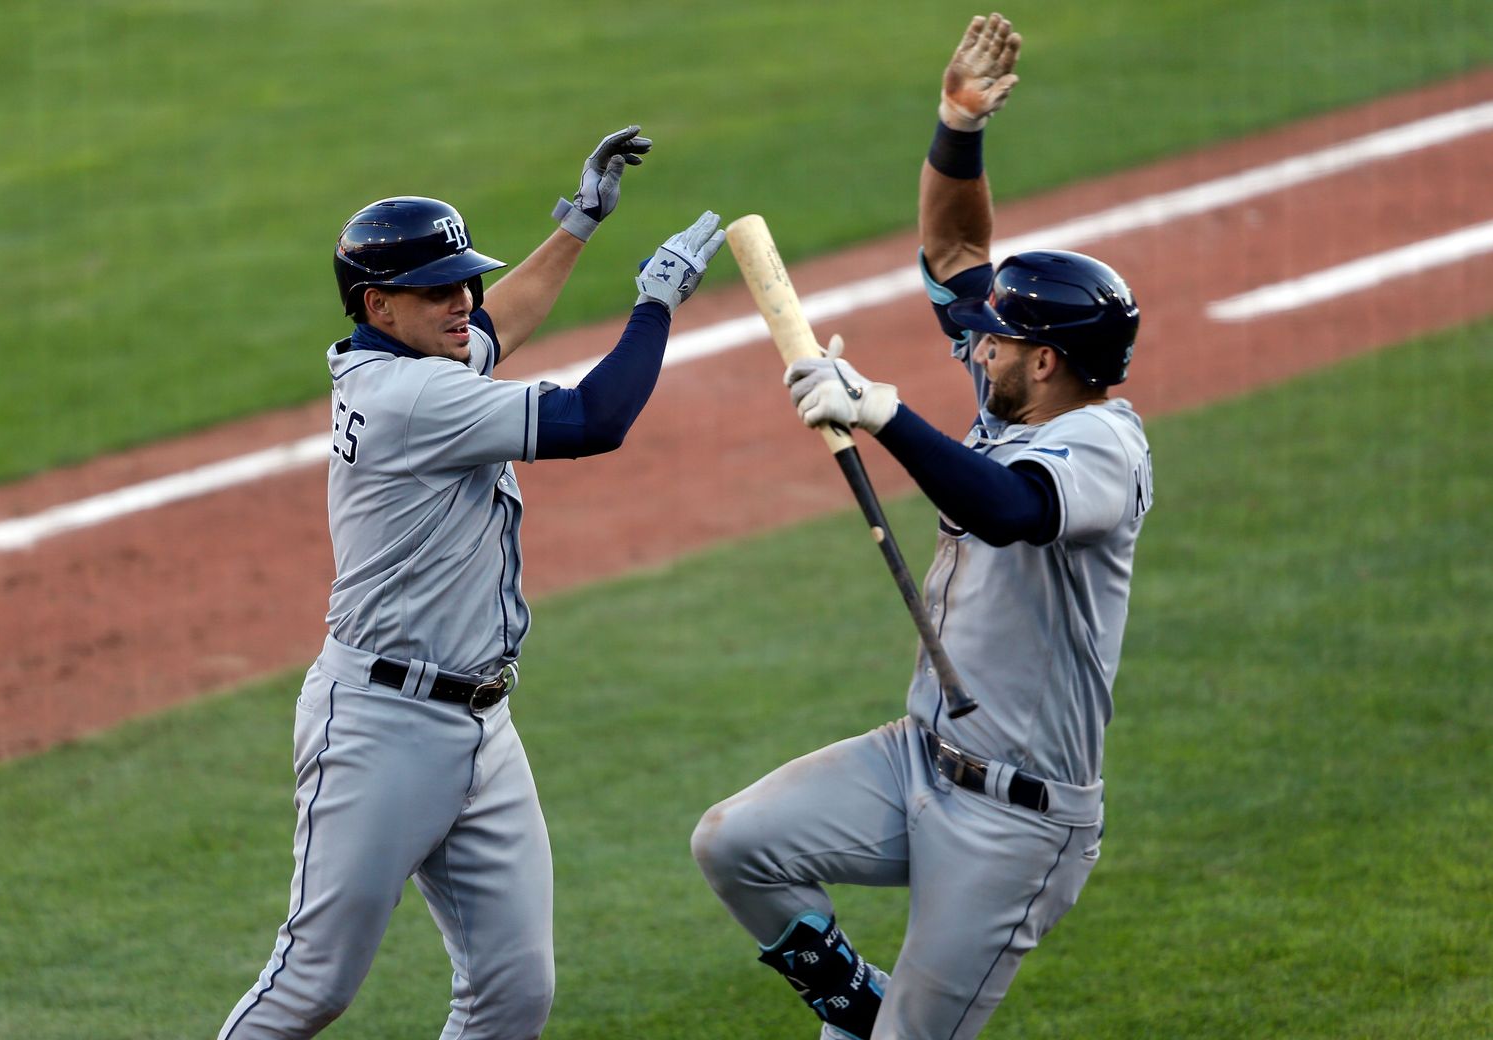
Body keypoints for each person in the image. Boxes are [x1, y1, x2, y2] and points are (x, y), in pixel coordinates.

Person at [691, 13, 1152, 1038]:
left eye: (995, 338)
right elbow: (955, 248)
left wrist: (882, 410)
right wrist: (957, 123)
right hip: (919, 759)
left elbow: (1010, 509)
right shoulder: (1018, 396)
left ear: (1045, 359)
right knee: (735, 842)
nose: (974, 341)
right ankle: (855, 1006)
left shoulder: (1104, 451)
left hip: (1017, 822)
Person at [218, 126, 724, 1039]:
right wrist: (655, 305)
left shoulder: (420, 360)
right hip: (381, 727)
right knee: (312, 985)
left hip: (478, 725)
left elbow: (499, 324)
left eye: (463, 280)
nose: (463, 302)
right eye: (436, 290)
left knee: (512, 991)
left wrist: (579, 223)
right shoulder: (415, 398)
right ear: (378, 305)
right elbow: (595, 419)